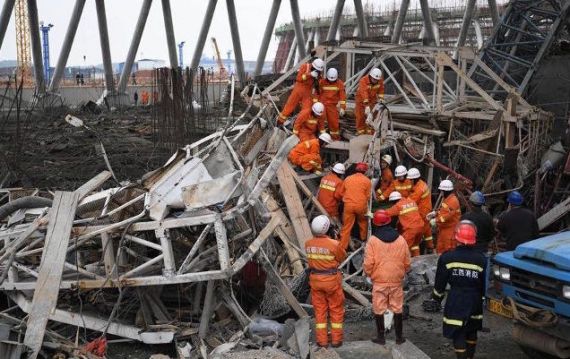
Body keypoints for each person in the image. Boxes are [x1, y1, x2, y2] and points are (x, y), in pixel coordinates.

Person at [431, 221, 486, 359]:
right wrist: (482, 299)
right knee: (472, 329)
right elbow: (483, 283)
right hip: (475, 299)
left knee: (458, 332)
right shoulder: (481, 259)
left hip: (457, 298)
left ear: (457, 238)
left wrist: (436, 298)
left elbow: (440, 282)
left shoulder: (447, 257)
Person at [364, 210, 410, 345]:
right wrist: (404, 271)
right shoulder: (401, 239)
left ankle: (381, 337)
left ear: (376, 224)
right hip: (396, 279)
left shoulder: (372, 241)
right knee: (397, 308)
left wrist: (368, 274)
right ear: (389, 222)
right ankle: (399, 337)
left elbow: (368, 262)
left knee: (378, 308)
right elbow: (407, 260)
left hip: (379, 280)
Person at [305, 215, 347, 348]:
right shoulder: (334, 244)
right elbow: (342, 257)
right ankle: (336, 340)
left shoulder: (308, 244)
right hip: (331, 282)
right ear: (328, 228)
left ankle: (322, 341)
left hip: (316, 281)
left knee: (320, 311)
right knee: (335, 309)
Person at [278, 58, 325, 124]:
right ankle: (280, 122)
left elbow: (318, 85)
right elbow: (298, 78)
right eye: (316, 69)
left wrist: (317, 79)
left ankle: (302, 125)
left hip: (307, 92)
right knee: (289, 106)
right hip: (298, 89)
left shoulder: (318, 74)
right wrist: (309, 75)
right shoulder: (305, 66)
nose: (317, 71)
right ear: (313, 66)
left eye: (318, 70)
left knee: (307, 109)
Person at [339, 162, 371, 247]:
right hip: (361, 206)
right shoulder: (367, 181)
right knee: (363, 222)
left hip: (348, 205)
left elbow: (341, 192)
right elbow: (368, 197)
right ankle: (363, 240)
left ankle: (343, 247)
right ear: (365, 171)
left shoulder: (348, 179)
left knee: (346, 227)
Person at [385, 191, 424, 257]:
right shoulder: (411, 201)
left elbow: (386, 213)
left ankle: (405, 264)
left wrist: (373, 214)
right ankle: (417, 260)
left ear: (394, 201)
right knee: (415, 245)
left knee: (402, 248)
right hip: (421, 227)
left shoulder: (398, 206)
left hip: (411, 230)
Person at [427, 180, 461, 254]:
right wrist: (435, 213)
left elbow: (447, 216)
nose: (441, 193)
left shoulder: (453, 201)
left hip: (450, 231)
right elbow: (443, 211)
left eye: (442, 191)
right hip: (443, 230)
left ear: (446, 191)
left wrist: (435, 220)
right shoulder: (447, 199)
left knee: (448, 251)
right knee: (440, 250)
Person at [408, 168, 434, 253]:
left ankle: (416, 256)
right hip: (425, 212)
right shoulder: (421, 184)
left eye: (410, 180)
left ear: (415, 179)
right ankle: (430, 247)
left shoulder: (419, 188)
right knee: (427, 230)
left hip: (422, 214)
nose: (409, 181)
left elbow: (411, 201)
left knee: (415, 239)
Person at [318, 68, 346, 140]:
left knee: (334, 123)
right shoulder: (322, 82)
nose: (331, 81)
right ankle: (321, 138)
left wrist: (343, 108)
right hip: (322, 105)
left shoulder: (340, 84)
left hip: (332, 106)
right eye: (329, 79)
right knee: (321, 121)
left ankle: (335, 139)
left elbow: (342, 97)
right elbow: (317, 93)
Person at [355, 68, 384, 135]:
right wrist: (366, 105)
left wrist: (381, 98)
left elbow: (381, 90)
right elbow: (364, 93)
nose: (375, 81)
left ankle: (370, 134)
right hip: (361, 102)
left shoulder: (380, 81)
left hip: (372, 102)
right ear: (370, 76)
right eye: (374, 79)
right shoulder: (363, 81)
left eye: (376, 80)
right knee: (360, 118)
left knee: (372, 117)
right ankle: (361, 134)